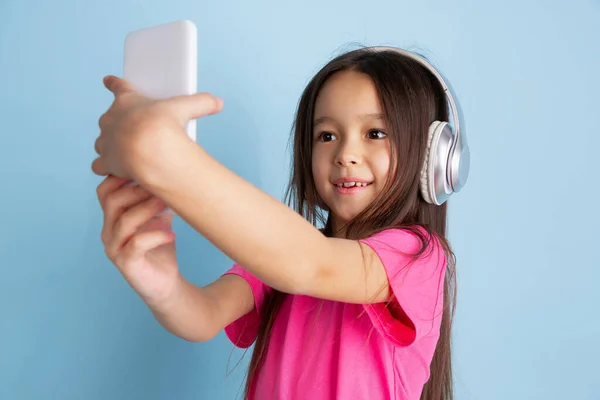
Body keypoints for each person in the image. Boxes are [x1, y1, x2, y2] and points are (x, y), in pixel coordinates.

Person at [92, 45, 470, 400]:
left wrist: (167, 159)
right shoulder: (280, 255)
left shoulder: (417, 256)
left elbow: (311, 264)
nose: (345, 154)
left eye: (375, 133)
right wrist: (162, 285)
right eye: (326, 135)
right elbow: (203, 314)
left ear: (434, 160)